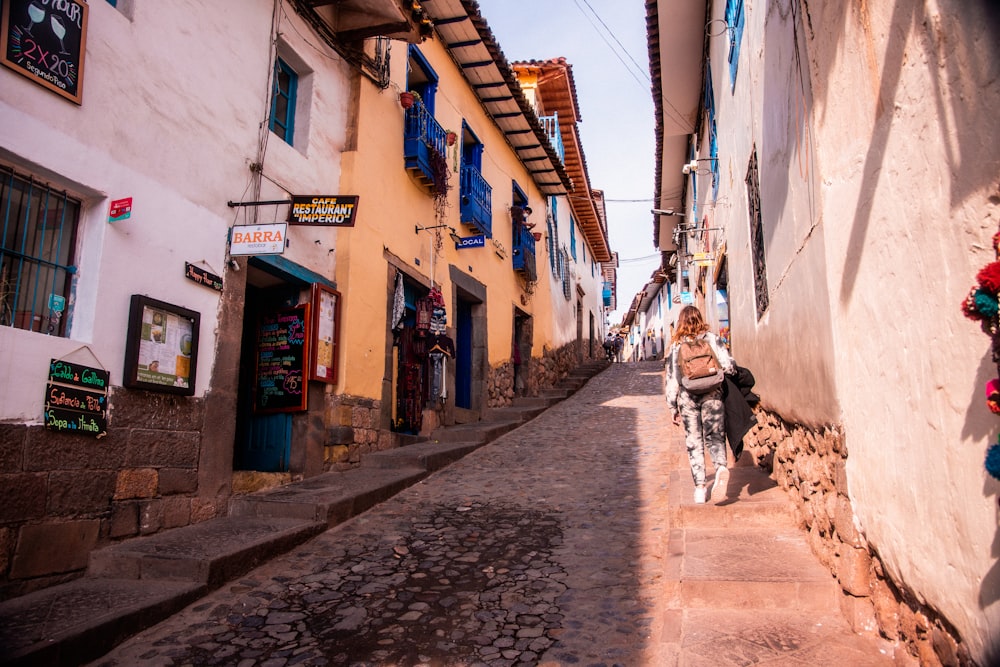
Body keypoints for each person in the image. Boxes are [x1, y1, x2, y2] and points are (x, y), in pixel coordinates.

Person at [664, 305, 735, 504]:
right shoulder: (712, 338)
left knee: (694, 442)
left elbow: (672, 378)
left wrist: (672, 406)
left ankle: (700, 488)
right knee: (715, 436)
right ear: (699, 318)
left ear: (680, 322)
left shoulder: (677, 346)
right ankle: (720, 467)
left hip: (688, 397)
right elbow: (728, 365)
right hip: (712, 393)